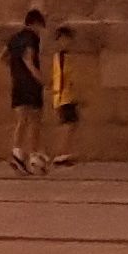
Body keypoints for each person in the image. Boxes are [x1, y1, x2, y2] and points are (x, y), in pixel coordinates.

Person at [1, 8, 49, 174]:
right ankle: (34, 155)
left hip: (17, 83)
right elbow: (28, 59)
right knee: (36, 119)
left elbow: (3, 57)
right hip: (30, 84)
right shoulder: (31, 38)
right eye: (40, 26)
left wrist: (15, 70)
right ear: (34, 23)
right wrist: (40, 78)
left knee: (22, 120)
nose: (40, 31)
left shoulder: (14, 38)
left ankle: (17, 153)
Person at [47, 23, 81, 168]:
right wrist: (60, 98)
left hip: (67, 95)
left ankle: (64, 152)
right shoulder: (60, 57)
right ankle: (61, 153)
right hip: (64, 97)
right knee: (68, 124)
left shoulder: (66, 57)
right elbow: (60, 78)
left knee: (70, 124)